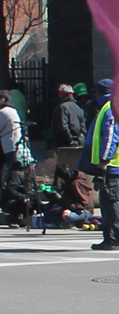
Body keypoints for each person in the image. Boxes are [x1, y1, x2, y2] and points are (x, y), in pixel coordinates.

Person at [78, 79, 119, 250]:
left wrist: (103, 162)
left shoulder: (110, 108)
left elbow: (110, 137)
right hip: (112, 165)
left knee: (110, 201)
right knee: (109, 201)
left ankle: (114, 238)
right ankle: (110, 237)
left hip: (111, 166)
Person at [0, 89, 22, 199]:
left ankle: (3, 196)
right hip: (6, 144)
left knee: (9, 171)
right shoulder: (12, 109)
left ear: (3, 99)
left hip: (9, 145)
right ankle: (2, 196)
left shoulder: (4, 111)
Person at [50, 84, 86, 148]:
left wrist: (70, 140)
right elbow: (83, 126)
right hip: (79, 142)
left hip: (65, 143)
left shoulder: (63, 107)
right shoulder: (79, 107)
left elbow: (64, 126)